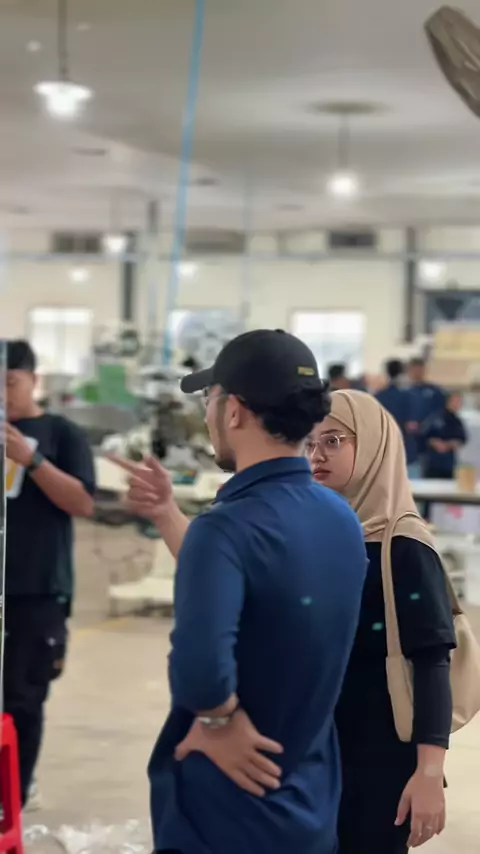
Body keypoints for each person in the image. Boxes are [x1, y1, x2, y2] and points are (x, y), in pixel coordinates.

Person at [111, 329, 368, 854]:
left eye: (209, 400)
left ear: (234, 412)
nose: (207, 416)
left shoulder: (227, 529)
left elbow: (200, 666)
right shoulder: (340, 519)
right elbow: (263, 590)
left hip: (226, 812)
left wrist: (218, 719)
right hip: (309, 805)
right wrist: (167, 512)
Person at [306, 390, 456, 854]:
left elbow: (432, 663)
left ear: (373, 445)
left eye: (334, 440)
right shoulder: (315, 536)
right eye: (310, 443)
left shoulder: (404, 545)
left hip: (378, 762)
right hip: (314, 752)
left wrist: (428, 773)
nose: (317, 455)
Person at [4, 340, 96, 806]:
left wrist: (32, 461)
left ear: (33, 380)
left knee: (22, 698)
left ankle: (13, 799)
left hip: (36, 590)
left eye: (10, 382)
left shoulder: (61, 434)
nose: (2, 393)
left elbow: (82, 503)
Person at [375, 359, 419, 477]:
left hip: (383, 450)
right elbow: (412, 426)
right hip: (405, 450)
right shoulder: (408, 397)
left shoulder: (378, 396)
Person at [424, 390, 468, 481]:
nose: (458, 404)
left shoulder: (457, 421)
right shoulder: (435, 417)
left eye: (459, 402)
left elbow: (462, 439)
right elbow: (425, 435)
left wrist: (449, 444)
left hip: (449, 463)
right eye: (456, 401)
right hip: (433, 463)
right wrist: (436, 443)